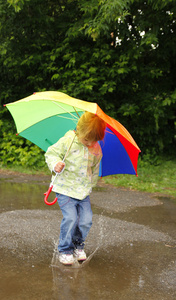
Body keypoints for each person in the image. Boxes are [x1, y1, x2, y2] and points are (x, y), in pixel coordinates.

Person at [45, 112, 106, 265]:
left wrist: (91, 184)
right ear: (79, 129)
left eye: (93, 141)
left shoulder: (96, 149)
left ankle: (78, 246)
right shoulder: (68, 141)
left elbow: (95, 168)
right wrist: (56, 164)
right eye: (86, 139)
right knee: (71, 218)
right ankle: (65, 249)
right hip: (65, 189)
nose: (89, 144)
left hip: (83, 191)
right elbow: (51, 153)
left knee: (86, 221)